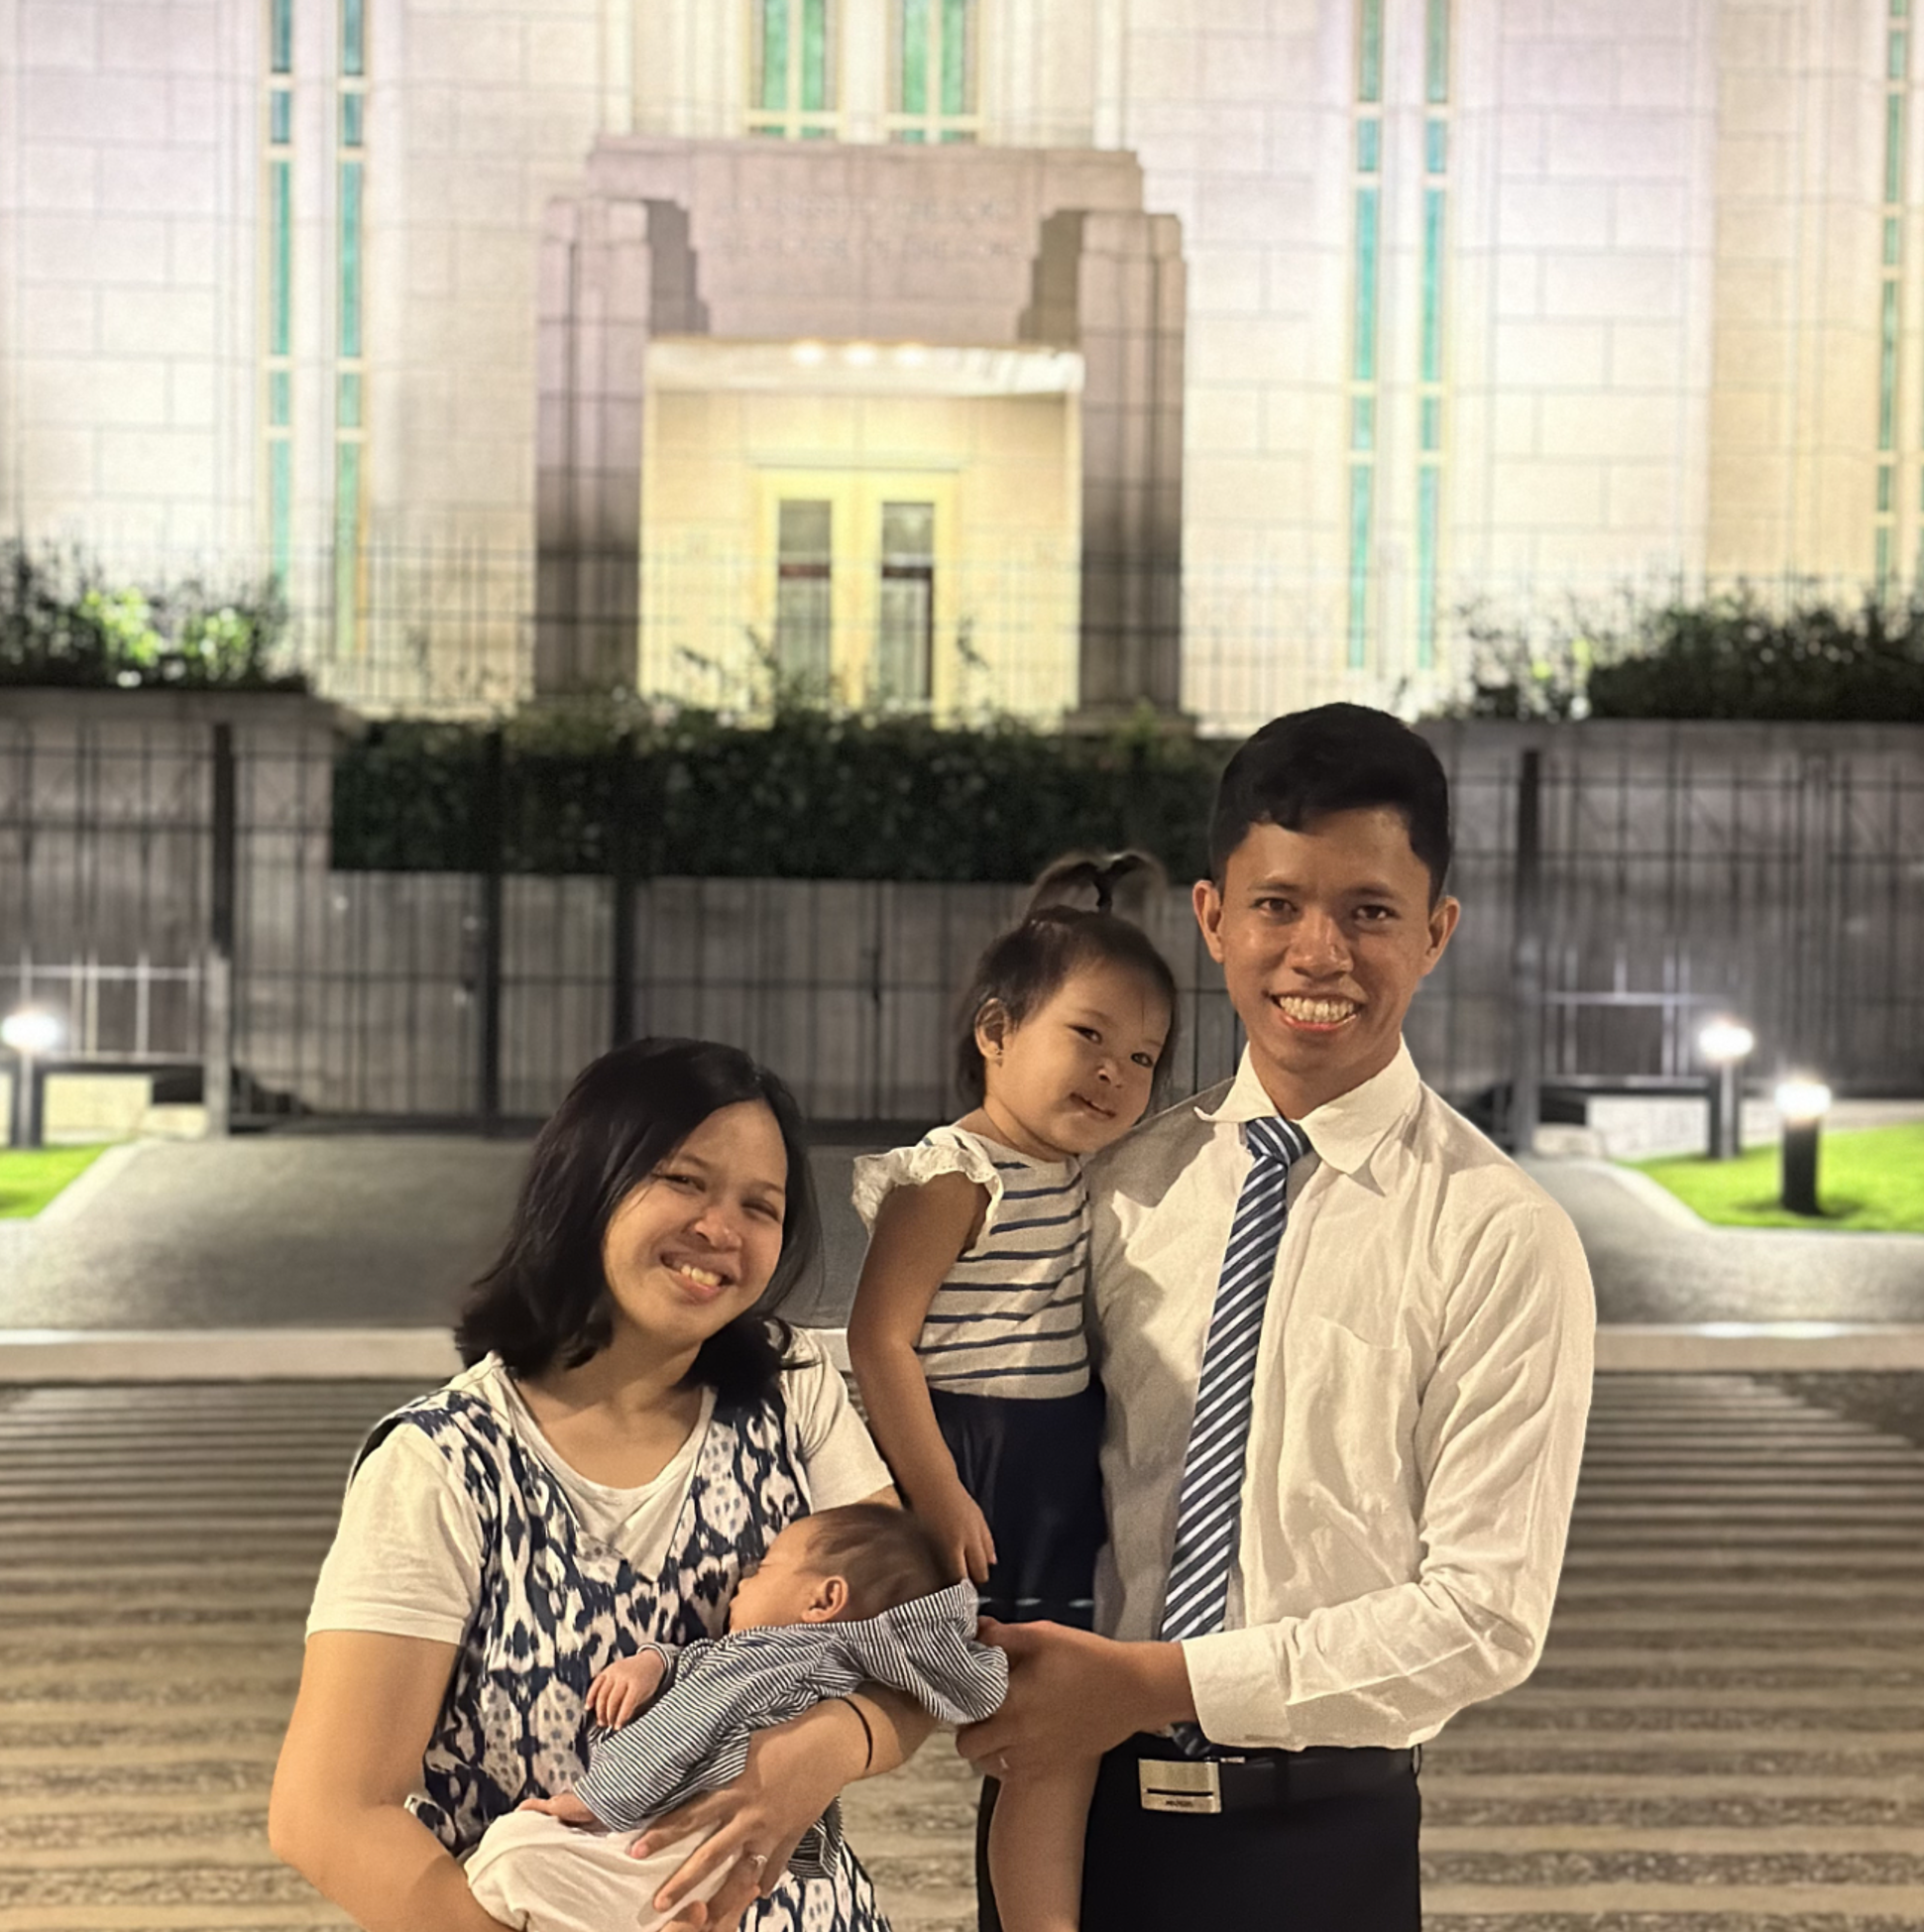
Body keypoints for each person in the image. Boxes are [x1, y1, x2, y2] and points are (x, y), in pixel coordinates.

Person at [957, 703, 1596, 1929]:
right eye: (1278, 903)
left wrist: (1156, 1680)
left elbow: (1484, 1616)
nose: (1319, 952)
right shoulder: (1116, 1184)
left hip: (1320, 1844)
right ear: (1212, 917)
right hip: (1068, 1819)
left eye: (1370, 911)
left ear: (1437, 930)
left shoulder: (1497, 1232)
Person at [270, 1036, 933, 1932]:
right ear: (590, 1183)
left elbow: (920, 1643)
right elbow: (329, 1810)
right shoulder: (445, 1462)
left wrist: (833, 1744)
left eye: (760, 1205)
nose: (721, 1229)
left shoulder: (793, 1391)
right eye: (684, 1180)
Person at [847, 853, 1177, 1932]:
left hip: (1053, 1464)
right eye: (1087, 1035)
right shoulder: (957, 1172)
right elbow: (880, 1338)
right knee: (871, 1699)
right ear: (995, 1031)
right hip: (969, 1457)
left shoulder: (1083, 1173)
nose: (1115, 1073)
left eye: (1142, 1056)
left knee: (1048, 1735)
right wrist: (939, 1491)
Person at [468, 1505, 1008, 1932]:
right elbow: (701, 1667)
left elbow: (682, 1728)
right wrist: (652, 1664)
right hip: (715, 1871)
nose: (741, 1583)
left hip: (672, 1850)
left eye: (764, 1569)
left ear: (824, 1600)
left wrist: (594, 1799)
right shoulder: (812, 1667)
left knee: (511, 1854)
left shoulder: (780, 1660)